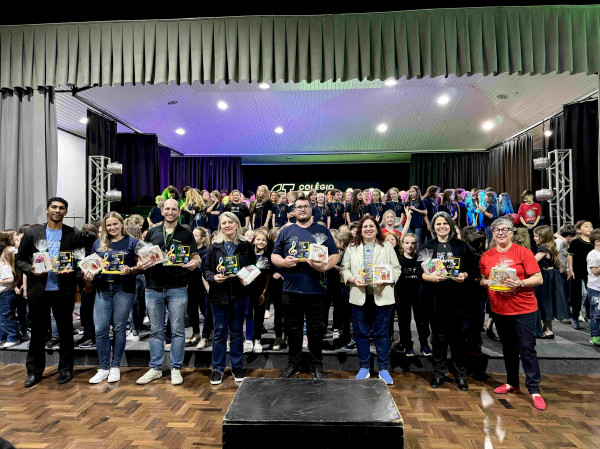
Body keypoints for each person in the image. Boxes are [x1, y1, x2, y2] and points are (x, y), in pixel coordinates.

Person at [16, 197, 96, 387]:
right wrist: (31, 269)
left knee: (66, 331)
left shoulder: (73, 233)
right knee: (37, 332)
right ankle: (34, 372)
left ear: (65, 212)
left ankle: (66, 369)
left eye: (61, 208)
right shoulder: (32, 233)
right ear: (47, 209)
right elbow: (20, 259)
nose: (57, 210)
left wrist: (73, 268)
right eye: (54, 207)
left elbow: (81, 258)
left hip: (63, 290)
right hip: (38, 290)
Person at [479, 217, 546, 410]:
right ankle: (512, 383)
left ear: (511, 232)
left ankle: (534, 390)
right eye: (496, 230)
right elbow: (482, 280)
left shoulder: (523, 252)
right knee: (508, 348)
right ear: (493, 233)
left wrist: (520, 283)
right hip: (499, 308)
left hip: (523, 308)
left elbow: (538, 278)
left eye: (504, 229)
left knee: (527, 348)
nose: (500, 233)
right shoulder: (487, 256)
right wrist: (490, 282)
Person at [272, 196, 339, 379]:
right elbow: (274, 256)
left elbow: (334, 254)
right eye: (299, 207)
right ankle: (294, 364)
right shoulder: (286, 231)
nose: (302, 209)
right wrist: (283, 263)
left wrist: (325, 267)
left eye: (305, 206)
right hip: (291, 289)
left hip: (316, 289)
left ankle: (317, 365)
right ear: (294, 210)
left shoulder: (322, 230)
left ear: (311, 209)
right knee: (293, 330)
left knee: (315, 331)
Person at [135, 199, 200, 386]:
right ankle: (155, 368)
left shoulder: (186, 233)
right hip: (153, 286)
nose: (170, 212)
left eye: (174, 209)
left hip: (178, 287)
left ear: (179, 212)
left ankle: (175, 368)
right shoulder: (152, 232)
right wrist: (141, 263)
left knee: (178, 331)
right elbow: (142, 255)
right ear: (162, 211)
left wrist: (195, 263)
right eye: (167, 209)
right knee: (156, 330)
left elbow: (195, 255)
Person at [417, 212, 478, 391]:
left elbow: (474, 269)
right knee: (439, 339)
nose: (441, 226)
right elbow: (418, 271)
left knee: (458, 339)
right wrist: (428, 277)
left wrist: (465, 275)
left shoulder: (461, 246)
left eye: (445, 223)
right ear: (433, 227)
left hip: (458, 299)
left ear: (450, 226)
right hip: (435, 300)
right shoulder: (427, 246)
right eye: (438, 224)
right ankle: (438, 374)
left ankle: (460, 376)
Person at [341, 216, 400, 384]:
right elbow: (344, 268)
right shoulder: (352, 247)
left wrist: (388, 280)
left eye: (371, 226)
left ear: (377, 229)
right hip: (359, 296)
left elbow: (397, 268)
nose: (368, 229)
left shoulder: (387, 246)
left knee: (382, 334)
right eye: (365, 226)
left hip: (383, 296)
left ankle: (383, 369)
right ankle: (364, 367)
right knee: (361, 333)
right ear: (360, 230)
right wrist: (353, 279)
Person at [83, 212, 139, 384]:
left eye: (115, 224)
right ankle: (104, 367)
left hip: (124, 289)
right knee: (100, 329)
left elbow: (142, 265)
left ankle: (115, 366)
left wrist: (130, 269)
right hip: (102, 289)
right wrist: (88, 275)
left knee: (119, 328)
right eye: (109, 225)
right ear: (104, 227)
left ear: (122, 224)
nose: (112, 227)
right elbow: (92, 266)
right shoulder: (98, 243)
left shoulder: (132, 242)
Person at [204, 212, 256, 385]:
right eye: (224, 223)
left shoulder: (246, 246)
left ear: (237, 224)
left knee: (237, 332)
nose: (227, 225)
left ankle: (237, 366)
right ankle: (218, 368)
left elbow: (253, 267)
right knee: (219, 332)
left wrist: (246, 277)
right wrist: (213, 277)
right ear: (220, 226)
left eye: (230, 222)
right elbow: (206, 270)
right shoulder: (214, 246)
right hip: (219, 295)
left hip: (240, 295)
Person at [393, 228, 430, 357]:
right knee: (404, 322)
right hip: (403, 295)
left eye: (413, 243)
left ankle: (424, 344)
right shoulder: (398, 260)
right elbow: (395, 281)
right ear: (402, 244)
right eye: (407, 243)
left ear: (417, 244)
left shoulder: (421, 260)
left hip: (419, 296)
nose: (410, 245)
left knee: (422, 321)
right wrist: (396, 296)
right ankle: (408, 346)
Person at [532, 226, 569, 338]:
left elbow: (532, 262)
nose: (534, 238)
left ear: (543, 237)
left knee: (545, 302)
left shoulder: (543, 249)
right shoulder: (551, 246)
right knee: (547, 302)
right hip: (552, 275)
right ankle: (548, 329)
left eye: (536, 236)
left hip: (546, 277)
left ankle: (547, 331)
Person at [460, 226, 487, 355]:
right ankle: (471, 344)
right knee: (470, 320)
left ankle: (474, 343)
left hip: (479, 291)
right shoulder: (465, 253)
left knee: (477, 320)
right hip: (469, 291)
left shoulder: (481, 253)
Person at [243, 229, 271, 353]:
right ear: (253, 241)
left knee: (259, 316)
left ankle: (258, 340)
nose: (260, 242)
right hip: (247, 290)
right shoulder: (247, 255)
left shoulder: (268, 257)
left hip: (260, 291)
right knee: (247, 314)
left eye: (263, 240)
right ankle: (248, 339)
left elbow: (268, 278)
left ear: (267, 242)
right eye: (258, 239)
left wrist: (264, 293)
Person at [568, 220, 594, 328]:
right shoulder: (575, 242)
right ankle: (575, 316)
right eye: (586, 226)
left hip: (591, 272)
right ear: (579, 230)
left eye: (591, 226)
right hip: (577, 270)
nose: (589, 228)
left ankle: (589, 315)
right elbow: (570, 255)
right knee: (576, 295)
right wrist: (570, 269)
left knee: (591, 293)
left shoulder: (594, 242)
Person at [0, 245, 21, 348]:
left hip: (6, 295)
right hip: (5, 294)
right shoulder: (6, 265)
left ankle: (13, 337)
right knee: (3, 318)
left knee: (7, 317)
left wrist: (0, 281)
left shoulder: (7, 267)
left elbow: (10, 279)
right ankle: (4, 337)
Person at [586, 228, 600, 346]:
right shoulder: (593, 254)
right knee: (596, 313)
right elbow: (595, 271)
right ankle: (595, 336)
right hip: (595, 288)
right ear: (597, 241)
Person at [404, 186, 428, 251]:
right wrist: (407, 211)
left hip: (418, 223)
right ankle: (411, 252)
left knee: (417, 239)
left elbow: (425, 212)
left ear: (417, 192)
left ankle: (417, 253)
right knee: (410, 239)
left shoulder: (421, 201)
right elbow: (405, 213)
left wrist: (415, 209)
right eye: (410, 192)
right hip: (409, 223)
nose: (411, 193)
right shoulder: (408, 202)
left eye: (413, 191)